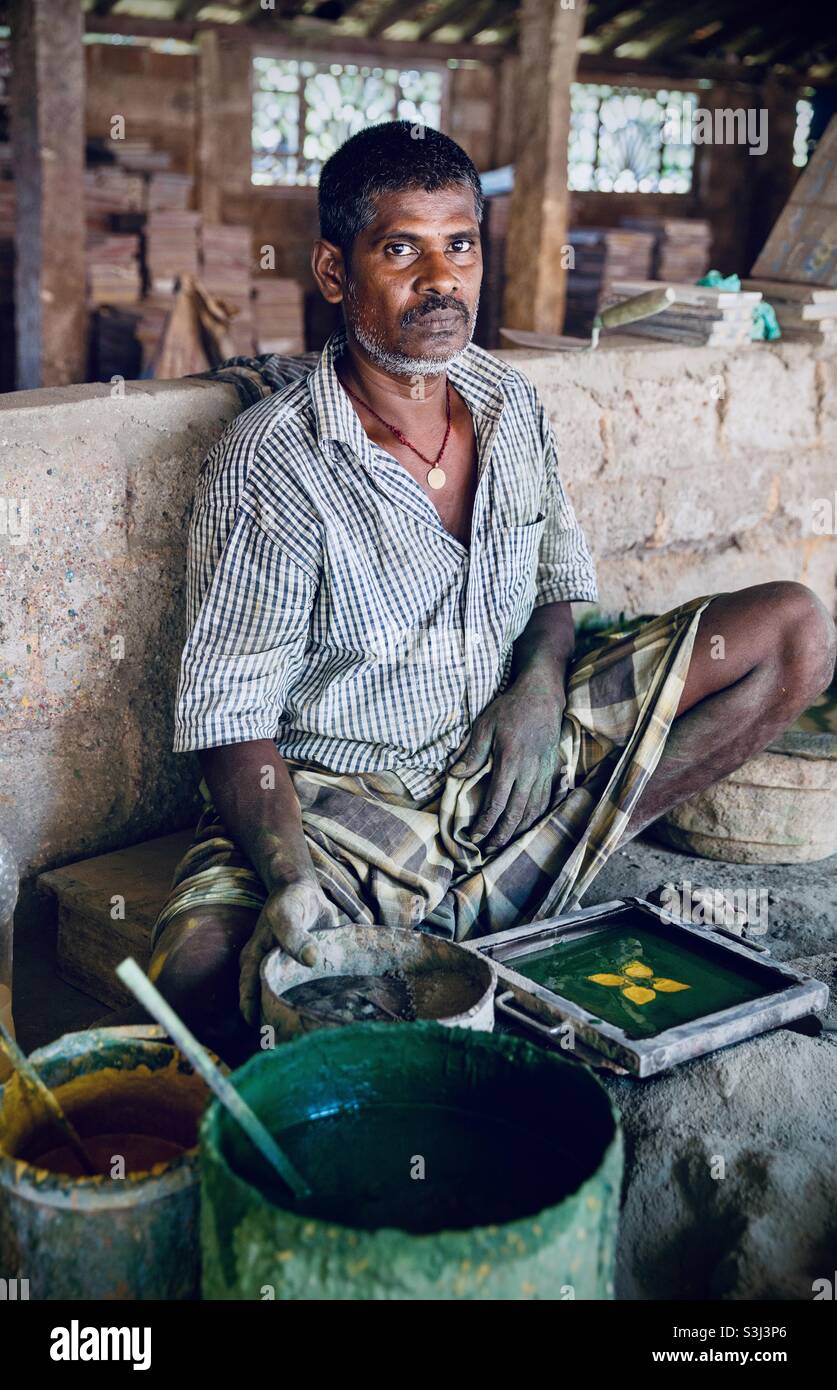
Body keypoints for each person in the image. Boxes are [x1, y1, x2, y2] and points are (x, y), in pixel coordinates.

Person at [141, 121, 835, 1062]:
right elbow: (230, 716)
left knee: (793, 631)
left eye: (459, 245)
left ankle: (548, 863)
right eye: (401, 249)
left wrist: (540, 685)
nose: (442, 279)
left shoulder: (509, 405)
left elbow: (557, 578)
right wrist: (289, 875)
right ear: (335, 272)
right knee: (200, 971)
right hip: (350, 802)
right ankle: (509, 888)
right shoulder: (270, 466)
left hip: (512, 754)